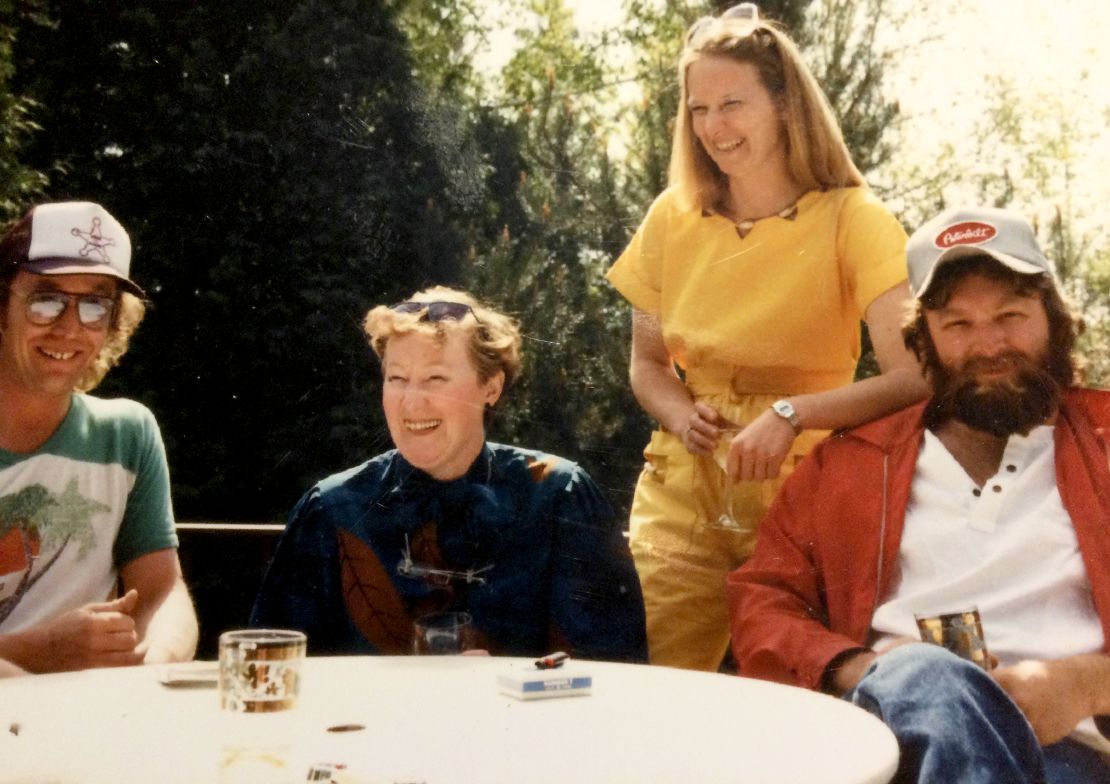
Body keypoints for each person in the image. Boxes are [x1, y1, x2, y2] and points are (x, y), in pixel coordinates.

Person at [728, 205, 1110, 782]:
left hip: (1064, 753)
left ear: (1054, 320)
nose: (989, 345)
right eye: (957, 325)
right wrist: (864, 668)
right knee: (927, 674)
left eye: (1011, 314)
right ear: (924, 342)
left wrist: (1087, 684)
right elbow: (764, 601)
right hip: (881, 742)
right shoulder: (849, 464)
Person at [605, 2, 927, 670]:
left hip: (804, 491)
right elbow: (646, 362)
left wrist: (790, 414)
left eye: (733, 104)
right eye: (698, 110)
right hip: (683, 492)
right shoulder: (671, 217)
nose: (713, 128)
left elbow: (912, 376)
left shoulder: (855, 220)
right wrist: (676, 411)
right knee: (651, 690)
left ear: (784, 105)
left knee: (795, 698)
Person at [251, 287, 647, 661]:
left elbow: (613, 675)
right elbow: (275, 669)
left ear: (490, 387)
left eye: (435, 379)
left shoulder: (560, 496)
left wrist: (499, 681)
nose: (412, 401)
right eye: (397, 379)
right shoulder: (332, 510)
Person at [0, 201, 197, 674]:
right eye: (46, 299)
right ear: (3, 305)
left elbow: (162, 591)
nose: (69, 327)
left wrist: (156, 657)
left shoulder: (126, 434)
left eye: (95, 305)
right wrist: (37, 652)